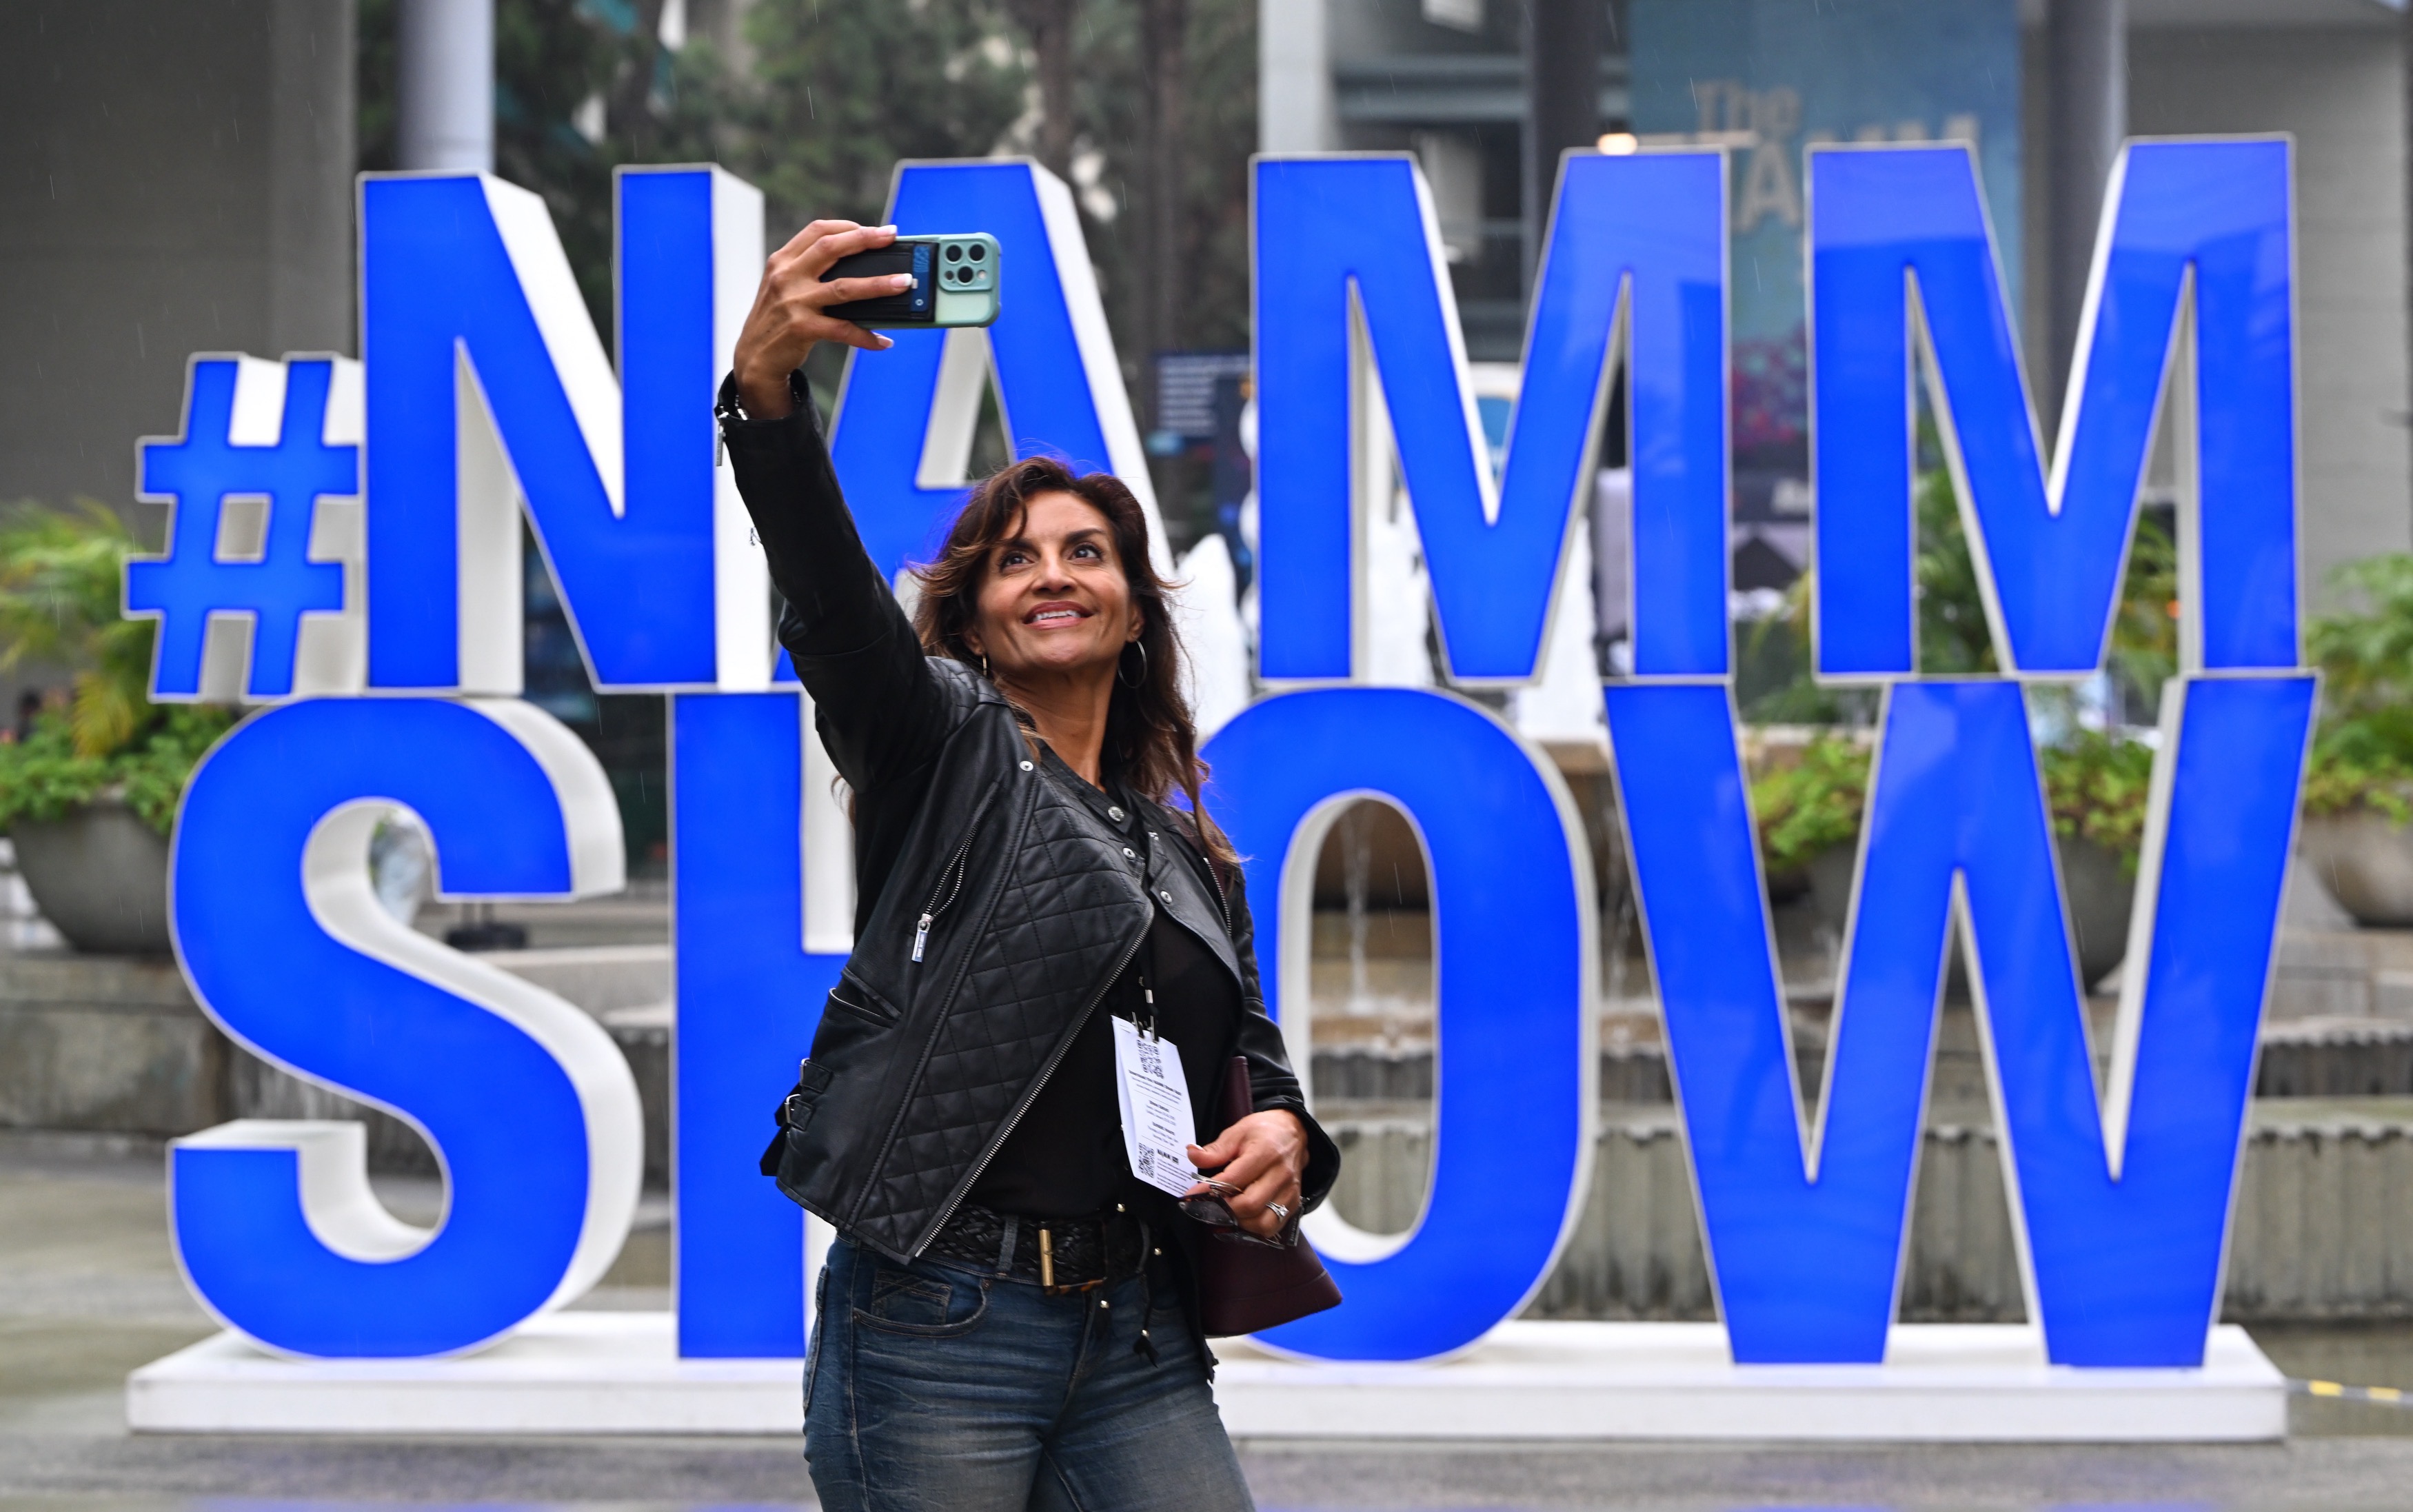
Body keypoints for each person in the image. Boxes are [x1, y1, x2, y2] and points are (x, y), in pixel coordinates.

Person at [720, 219, 1341, 1512]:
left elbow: (1253, 1063)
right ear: (973, 617)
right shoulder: (937, 744)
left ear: (1132, 609)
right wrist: (768, 401)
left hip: (1138, 1329)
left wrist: (1291, 1138)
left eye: (1084, 551)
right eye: (1013, 558)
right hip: (942, 1317)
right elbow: (832, 603)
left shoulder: (1186, 845)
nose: (1050, 573)